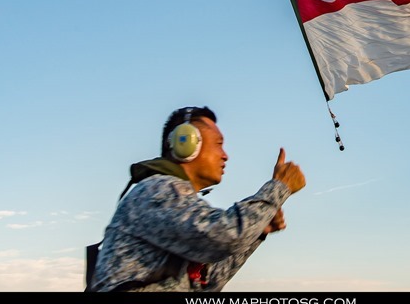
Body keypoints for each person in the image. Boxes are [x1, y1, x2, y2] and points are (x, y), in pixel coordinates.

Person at [90, 105, 306, 292]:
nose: (225, 155)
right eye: (218, 144)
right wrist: (279, 186)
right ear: (185, 142)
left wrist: (259, 231)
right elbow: (225, 235)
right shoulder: (156, 190)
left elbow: (208, 283)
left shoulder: (177, 202)